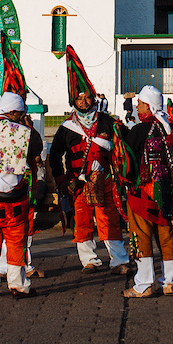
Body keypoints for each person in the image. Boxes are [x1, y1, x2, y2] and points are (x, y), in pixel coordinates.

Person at [48, 83, 130, 273]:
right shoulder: (67, 128)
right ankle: (89, 261)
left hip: (106, 181)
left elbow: (126, 144)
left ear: (94, 99)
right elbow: (55, 155)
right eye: (79, 98)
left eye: (88, 98)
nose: (84, 102)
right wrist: (61, 180)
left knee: (109, 219)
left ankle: (119, 261)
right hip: (78, 183)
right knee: (82, 221)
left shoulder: (107, 122)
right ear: (74, 102)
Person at [0, 92, 42, 298]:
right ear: (13, 112)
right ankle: (18, 285)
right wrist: (27, 124)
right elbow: (36, 148)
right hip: (13, 197)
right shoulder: (22, 132)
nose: (22, 117)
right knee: (15, 242)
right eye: (21, 114)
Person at [123, 86, 173, 297]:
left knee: (141, 236)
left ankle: (144, 284)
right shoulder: (171, 130)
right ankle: (169, 282)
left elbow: (125, 159)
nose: (137, 107)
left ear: (148, 107)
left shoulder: (139, 131)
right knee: (166, 236)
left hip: (143, 193)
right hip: (166, 193)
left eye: (140, 103)